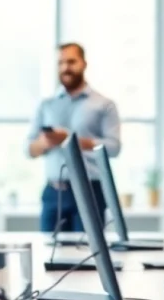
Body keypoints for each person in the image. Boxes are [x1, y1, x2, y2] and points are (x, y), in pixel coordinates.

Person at [26, 43, 121, 233]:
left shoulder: (104, 104)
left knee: (87, 255)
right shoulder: (46, 105)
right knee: (49, 255)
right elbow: (28, 149)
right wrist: (45, 142)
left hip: (90, 191)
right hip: (53, 193)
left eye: (71, 61)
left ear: (84, 63)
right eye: (60, 63)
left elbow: (114, 147)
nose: (65, 68)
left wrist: (70, 140)